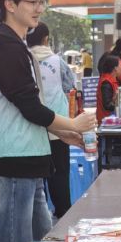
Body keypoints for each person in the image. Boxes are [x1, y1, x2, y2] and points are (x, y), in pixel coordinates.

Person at [0, 0, 94, 242]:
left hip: (23, 154)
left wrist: (60, 133)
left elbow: (25, 107)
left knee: (39, 239)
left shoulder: (11, 45)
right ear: (10, 4)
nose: (39, 8)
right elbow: (29, 106)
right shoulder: (8, 49)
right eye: (31, 1)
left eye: (41, 1)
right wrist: (73, 125)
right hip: (13, 157)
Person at [29, 21, 80, 217]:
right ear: (46, 39)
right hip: (59, 125)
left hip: (33, 125)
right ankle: (63, 211)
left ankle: (41, 215)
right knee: (60, 172)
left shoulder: (23, 59)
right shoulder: (58, 62)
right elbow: (70, 86)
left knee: (38, 175)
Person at [97, 53, 121, 123]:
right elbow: (107, 105)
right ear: (115, 68)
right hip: (106, 122)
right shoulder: (106, 83)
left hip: (110, 120)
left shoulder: (111, 80)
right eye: (120, 66)